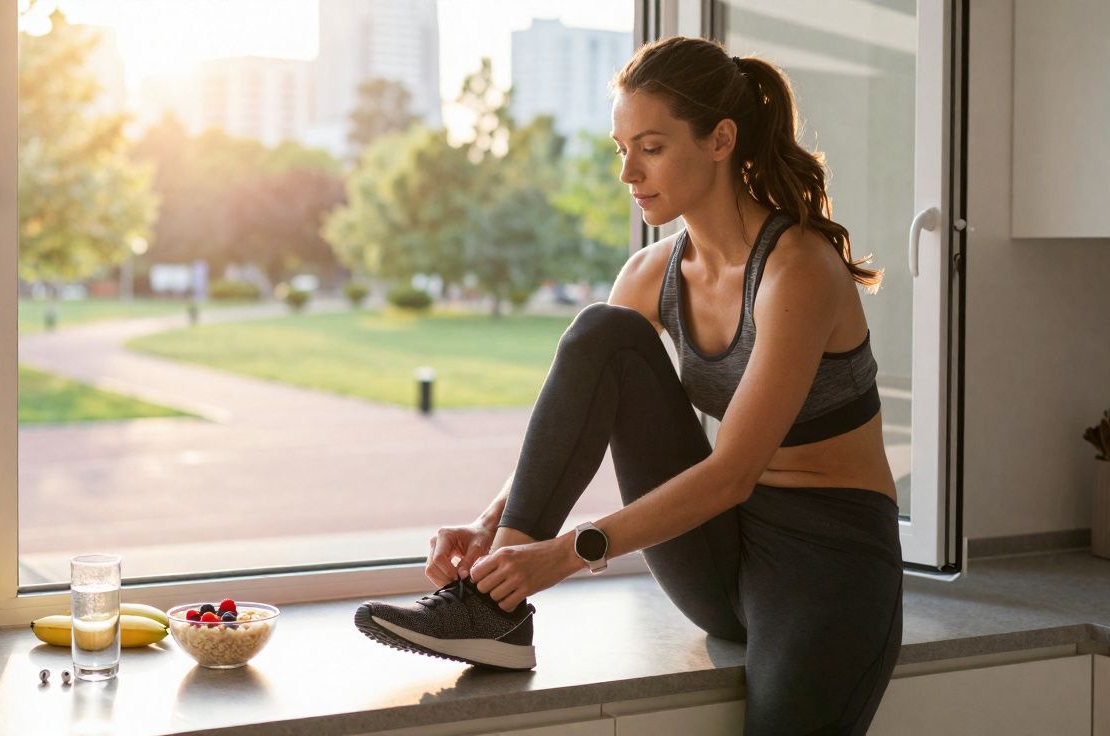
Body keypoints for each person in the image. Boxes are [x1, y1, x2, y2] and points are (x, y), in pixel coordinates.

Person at [355, 35, 902, 735]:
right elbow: (579, 413)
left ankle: (497, 599)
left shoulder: (797, 269)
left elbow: (732, 472)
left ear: (720, 140)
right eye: (621, 149)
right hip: (720, 552)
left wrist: (565, 555)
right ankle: (492, 608)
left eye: (651, 147)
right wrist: (492, 528)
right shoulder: (652, 273)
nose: (627, 173)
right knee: (603, 333)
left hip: (830, 557)